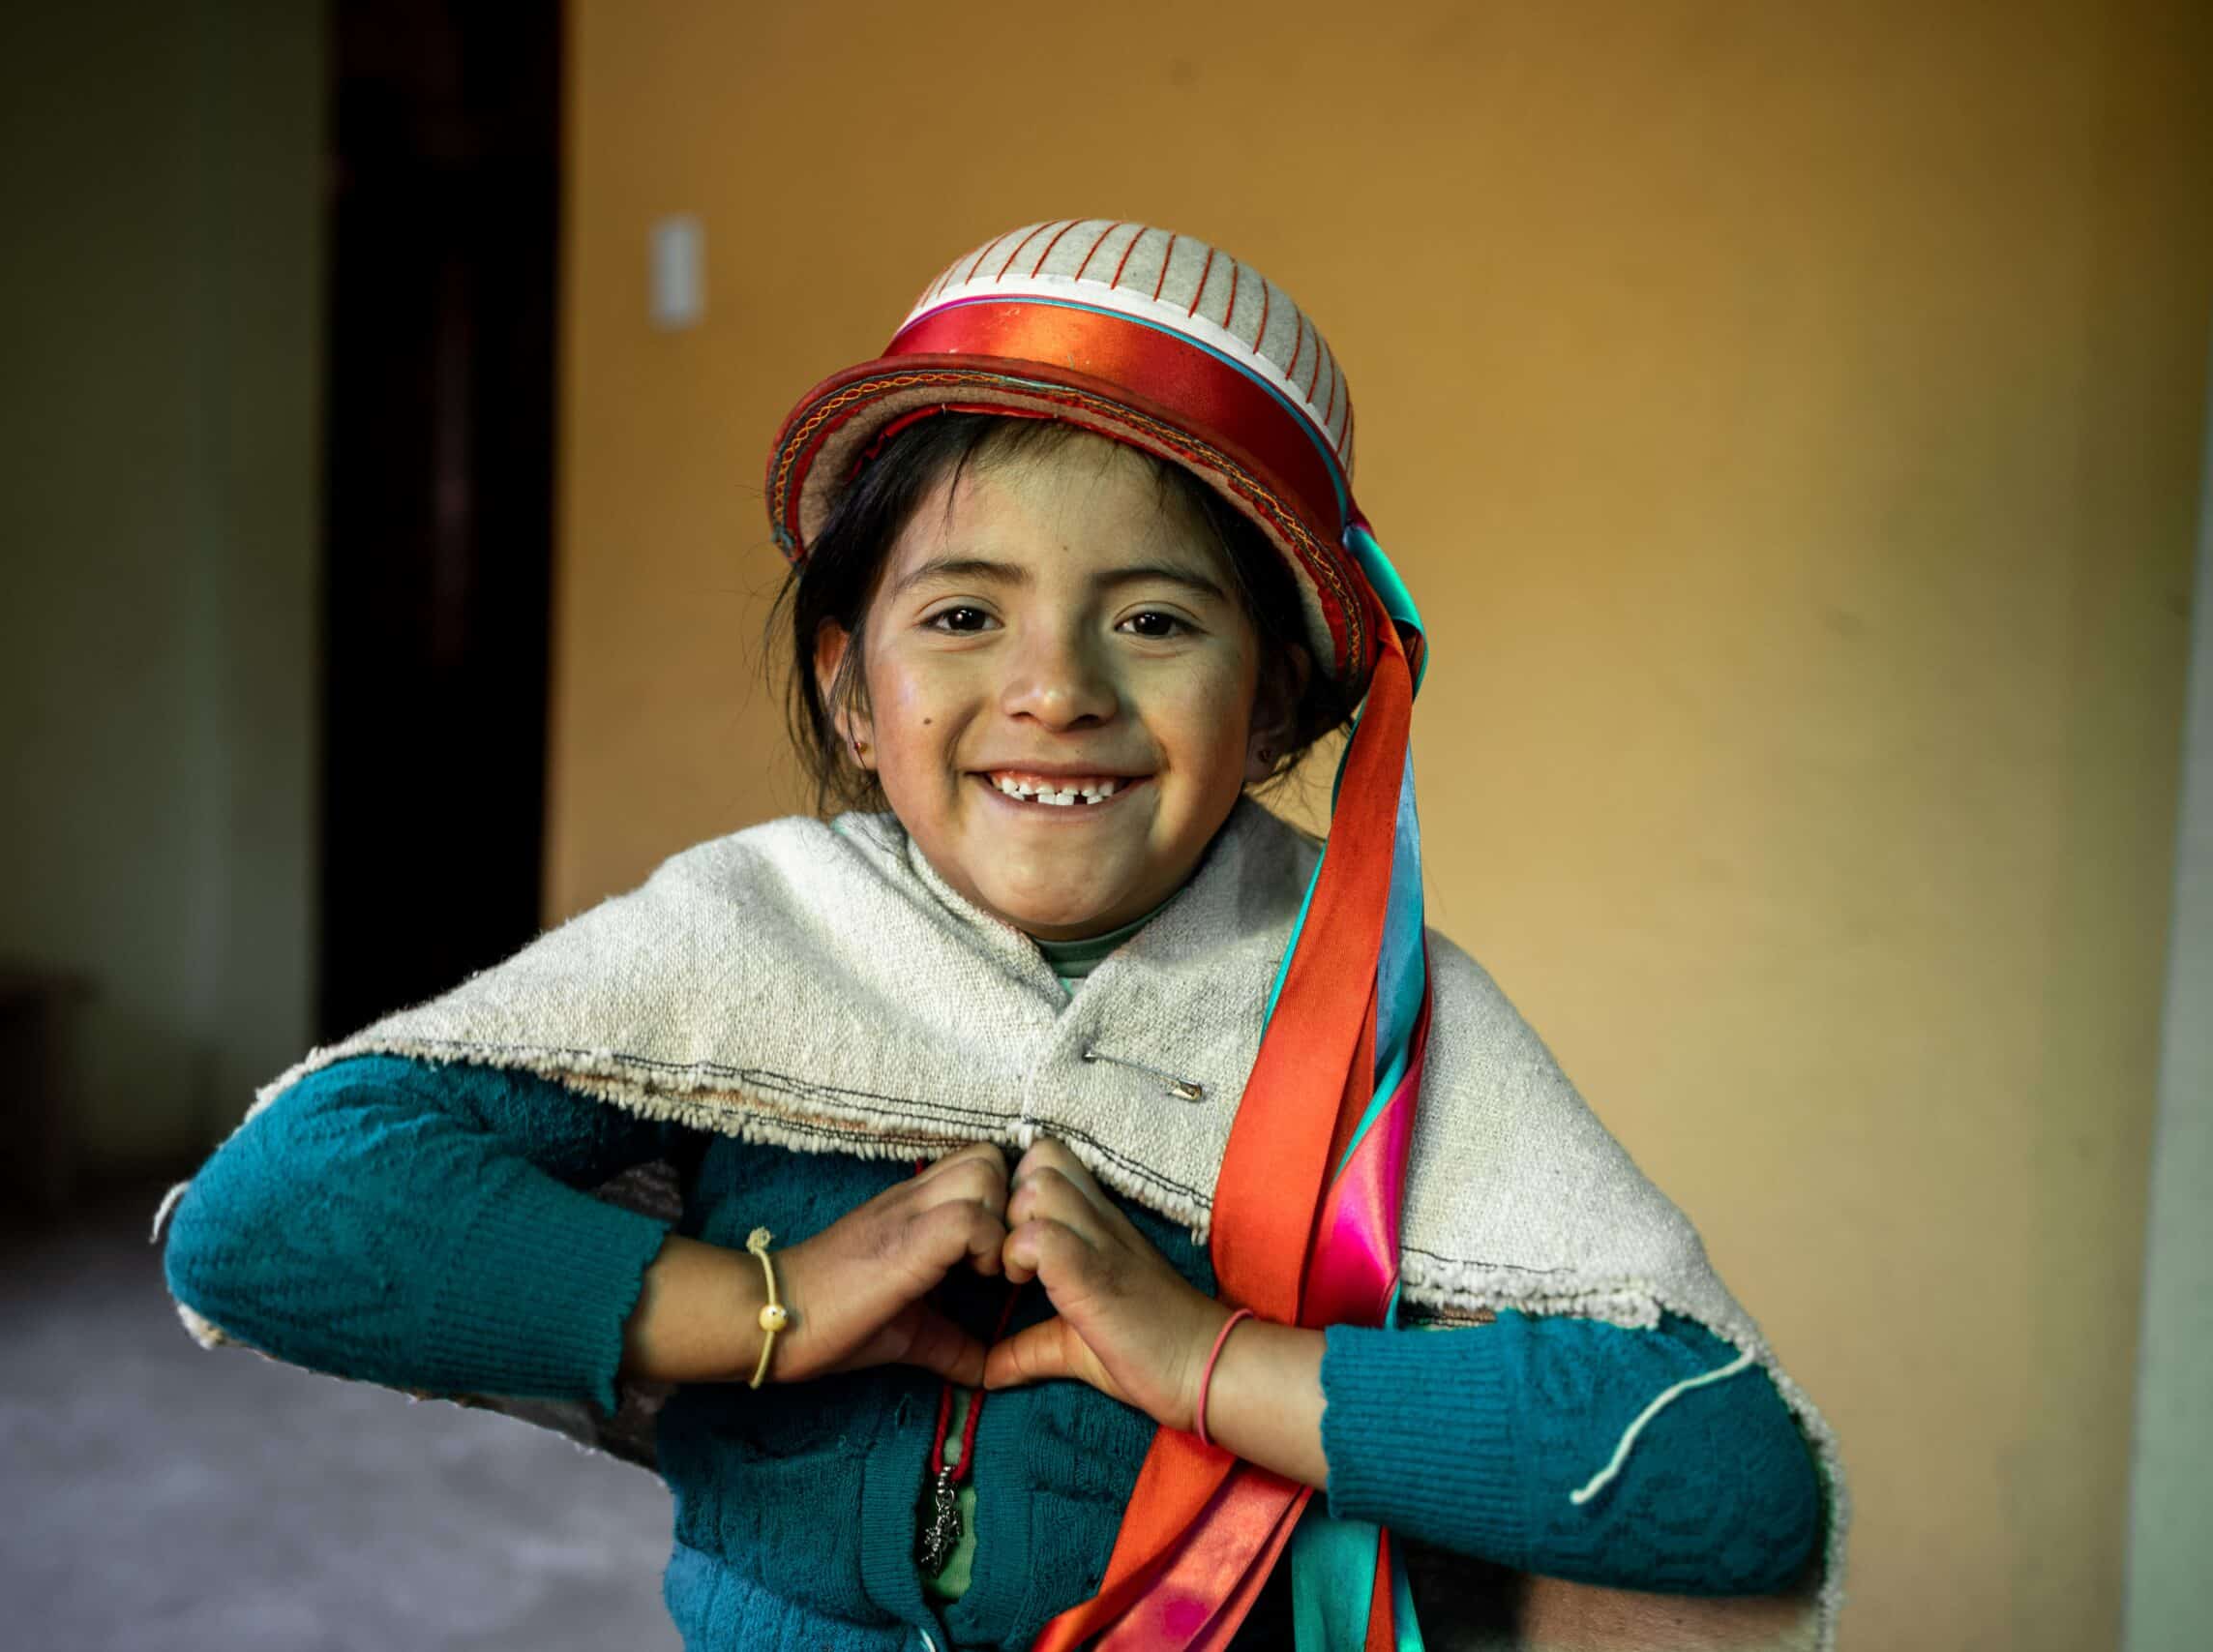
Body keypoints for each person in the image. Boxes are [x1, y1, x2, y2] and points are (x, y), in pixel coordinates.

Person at [154, 221, 1845, 1651]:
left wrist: (1206, 1359)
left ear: (1274, 709)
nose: (1056, 690)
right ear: (850, 683)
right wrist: (773, 1307)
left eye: (1159, 620)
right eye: (964, 614)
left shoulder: (1375, 1020)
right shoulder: (753, 932)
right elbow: (270, 1221)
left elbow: (1733, 1478)